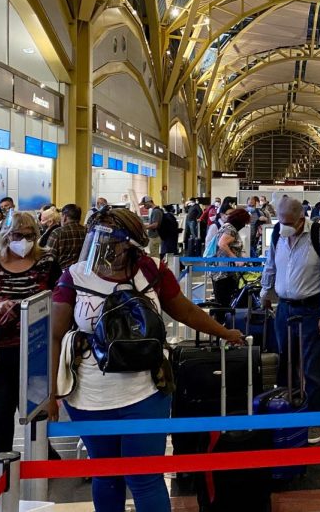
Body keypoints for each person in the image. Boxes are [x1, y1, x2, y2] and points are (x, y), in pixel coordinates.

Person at [51, 208, 243, 512]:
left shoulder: (151, 270)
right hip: (89, 396)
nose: (101, 249)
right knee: (107, 475)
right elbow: (55, 334)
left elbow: (184, 310)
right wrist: (51, 393)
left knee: (145, 478)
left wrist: (224, 332)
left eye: (109, 241)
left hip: (145, 391)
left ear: (128, 243)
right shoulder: (74, 275)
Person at [0, 212, 61, 456]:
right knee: (1, 411)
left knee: (37, 411)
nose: (24, 241)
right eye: (18, 235)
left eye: (30, 236)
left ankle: (43, 458)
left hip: (37, 352)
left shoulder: (47, 262)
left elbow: (61, 300)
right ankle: (2, 467)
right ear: (7, 236)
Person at [260, 198, 320, 445]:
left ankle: (315, 420)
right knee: (284, 362)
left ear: (301, 219)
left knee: (311, 367)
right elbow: (270, 265)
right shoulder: (278, 235)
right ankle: (286, 411)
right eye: (281, 222)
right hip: (284, 307)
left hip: (311, 309)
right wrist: (265, 293)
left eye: (289, 223)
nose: (284, 227)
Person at [214, 208, 250, 307]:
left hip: (222, 271)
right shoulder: (230, 229)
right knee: (223, 305)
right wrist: (235, 259)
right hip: (224, 273)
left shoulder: (227, 227)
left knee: (223, 303)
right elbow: (222, 244)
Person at [46, 204, 88, 271]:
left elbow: (49, 257)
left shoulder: (57, 233)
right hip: (81, 274)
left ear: (65, 217)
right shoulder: (87, 232)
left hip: (62, 276)